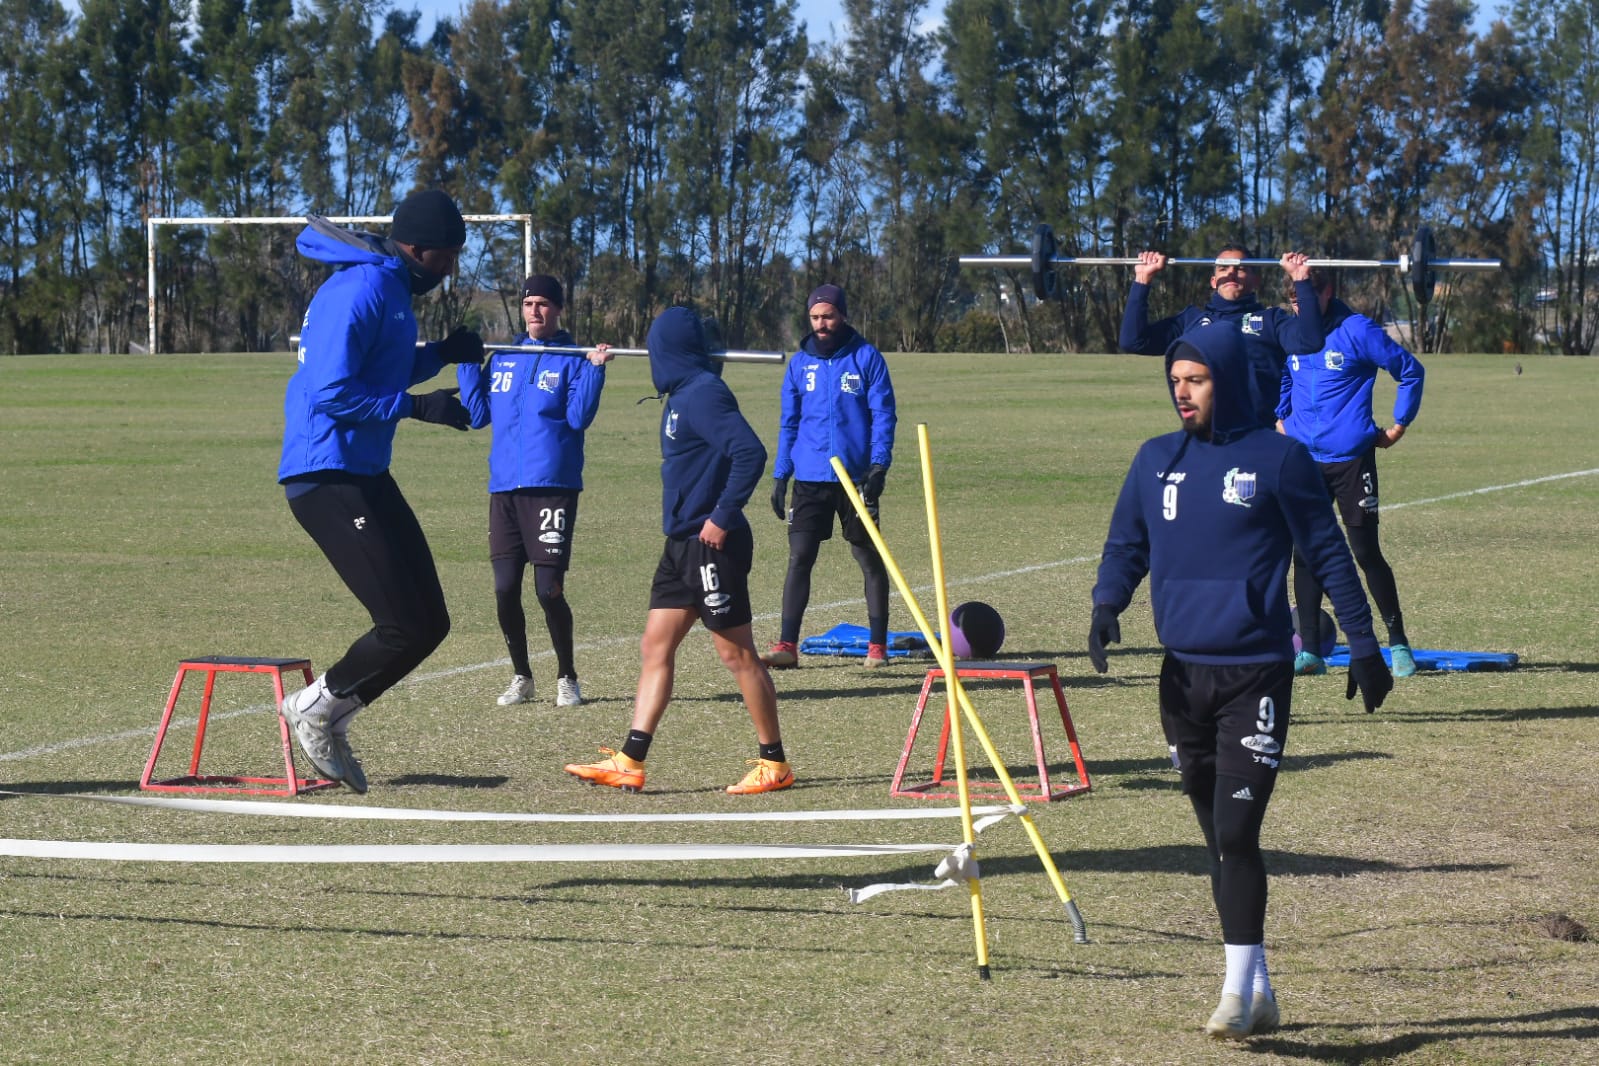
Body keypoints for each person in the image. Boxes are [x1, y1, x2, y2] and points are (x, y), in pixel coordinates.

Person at [1087, 324, 1393, 1040]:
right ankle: (1258, 991)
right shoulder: (1154, 459)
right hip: (1180, 676)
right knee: (1216, 839)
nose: (1181, 392)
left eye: (1195, 380)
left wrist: (1363, 645)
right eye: (1174, 381)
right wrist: (1106, 603)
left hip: (1255, 674)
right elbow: (1126, 542)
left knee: (1236, 832)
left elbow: (1329, 553)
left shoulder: (1280, 459)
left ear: (1225, 380)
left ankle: (1232, 994)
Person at [276, 188, 486, 794]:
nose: (449, 269)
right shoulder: (361, 289)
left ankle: (332, 714)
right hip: (326, 476)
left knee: (430, 623)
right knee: (400, 623)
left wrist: (441, 354)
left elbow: (383, 366)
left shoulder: (392, 290)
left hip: (365, 473)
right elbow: (330, 393)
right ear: (416, 248)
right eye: (446, 256)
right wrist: (418, 407)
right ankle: (315, 706)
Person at [563, 306, 792, 795]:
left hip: (712, 545)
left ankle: (774, 763)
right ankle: (630, 760)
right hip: (680, 545)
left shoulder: (704, 393)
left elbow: (750, 452)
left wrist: (722, 516)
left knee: (736, 654)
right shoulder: (679, 395)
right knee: (655, 646)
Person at [457, 274, 613, 708]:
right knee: (505, 587)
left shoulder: (573, 359)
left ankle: (567, 677)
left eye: (543, 304)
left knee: (548, 590)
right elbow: (477, 415)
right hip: (504, 488)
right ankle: (522, 676)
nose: (535, 311)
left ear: (558, 309)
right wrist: (466, 363)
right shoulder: (504, 358)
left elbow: (579, 418)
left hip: (552, 488)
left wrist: (595, 370)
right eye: (528, 304)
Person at [1277, 268, 1425, 678]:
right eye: (1294, 301)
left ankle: (1398, 642)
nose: (1300, 308)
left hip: (1351, 460)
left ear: (1328, 291)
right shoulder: (1291, 332)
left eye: (1306, 298)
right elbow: (1283, 375)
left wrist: (1399, 424)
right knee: (1304, 552)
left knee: (1364, 551)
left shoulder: (1357, 330)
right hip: (1303, 460)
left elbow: (1410, 370)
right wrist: (1280, 417)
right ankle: (1309, 650)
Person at [761, 284, 897, 669]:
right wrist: (781, 475)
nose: (821, 324)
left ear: (843, 315)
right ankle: (787, 646)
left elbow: (884, 415)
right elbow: (789, 423)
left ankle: (877, 647)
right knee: (800, 556)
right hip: (810, 477)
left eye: (828, 317)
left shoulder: (866, 357)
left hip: (856, 478)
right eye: (815, 318)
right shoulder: (799, 364)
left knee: (867, 557)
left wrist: (878, 466)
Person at [1120, 245, 1324, 424]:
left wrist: (1301, 280)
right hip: (1204, 437)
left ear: (1256, 280)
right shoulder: (1190, 320)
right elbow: (1133, 341)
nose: (1231, 273)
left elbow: (1311, 341)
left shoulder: (1272, 320)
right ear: (1213, 280)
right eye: (1223, 268)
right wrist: (1142, 280)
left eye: (1240, 268)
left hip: (1256, 435)